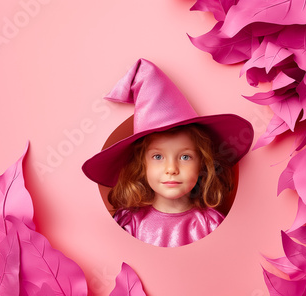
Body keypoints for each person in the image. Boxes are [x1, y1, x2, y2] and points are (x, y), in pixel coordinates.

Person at [82, 59, 253, 247]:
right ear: (142, 164)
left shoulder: (211, 224)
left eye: (185, 157)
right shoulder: (129, 223)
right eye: (158, 157)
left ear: (202, 163)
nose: (171, 169)